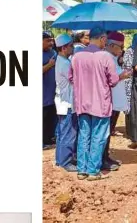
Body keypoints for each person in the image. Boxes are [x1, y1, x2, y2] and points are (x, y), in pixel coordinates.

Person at [69, 27, 131, 181]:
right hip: (100, 103)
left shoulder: (77, 56)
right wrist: (121, 76)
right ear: (102, 38)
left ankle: (81, 169)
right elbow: (113, 80)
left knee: (84, 135)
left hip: (82, 102)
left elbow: (71, 78)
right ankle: (93, 170)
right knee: (98, 136)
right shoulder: (105, 57)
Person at [102, 31, 128, 170]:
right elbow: (109, 80)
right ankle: (102, 158)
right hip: (109, 102)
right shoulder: (106, 58)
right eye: (120, 47)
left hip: (115, 102)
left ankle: (106, 157)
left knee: (109, 131)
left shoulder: (113, 58)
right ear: (112, 45)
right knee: (105, 132)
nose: (122, 50)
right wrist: (122, 76)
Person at [54, 34, 77, 172]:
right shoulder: (65, 64)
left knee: (63, 133)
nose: (73, 48)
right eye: (70, 46)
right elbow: (75, 80)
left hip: (62, 102)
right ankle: (66, 161)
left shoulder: (61, 60)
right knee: (69, 133)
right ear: (63, 48)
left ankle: (60, 159)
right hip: (67, 102)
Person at [123, 33, 137, 144]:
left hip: (136, 81)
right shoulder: (129, 51)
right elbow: (129, 66)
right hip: (128, 81)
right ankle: (129, 131)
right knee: (128, 107)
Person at [43, 31, 57, 149]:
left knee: (50, 118)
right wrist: (49, 65)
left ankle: (49, 139)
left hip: (52, 93)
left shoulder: (52, 52)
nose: (51, 43)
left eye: (51, 40)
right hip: (42, 94)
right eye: (48, 41)